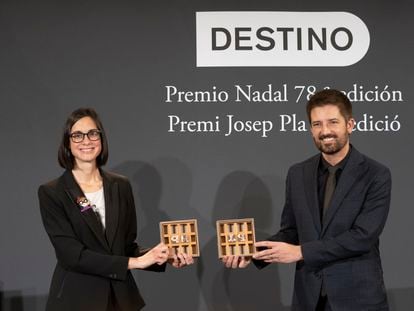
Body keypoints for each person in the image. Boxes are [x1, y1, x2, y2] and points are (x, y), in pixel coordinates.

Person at [222, 89, 391, 310]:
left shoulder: (375, 174)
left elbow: (362, 237)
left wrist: (301, 252)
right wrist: (255, 252)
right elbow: (291, 231)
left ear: (350, 125)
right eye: (317, 124)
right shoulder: (298, 173)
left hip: (358, 298)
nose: (325, 131)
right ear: (310, 129)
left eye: (332, 122)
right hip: (308, 298)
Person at [38, 108, 193, 311]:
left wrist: (162, 257)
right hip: (76, 299)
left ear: (101, 138)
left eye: (93, 133)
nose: (86, 141)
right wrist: (137, 262)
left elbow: (126, 247)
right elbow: (72, 256)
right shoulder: (52, 192)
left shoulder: (120, 185)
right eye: (77, 135)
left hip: (120, 299)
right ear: (67, 143)